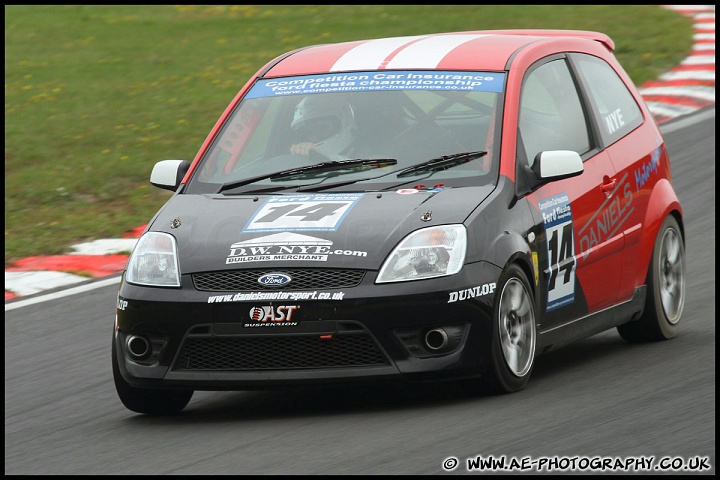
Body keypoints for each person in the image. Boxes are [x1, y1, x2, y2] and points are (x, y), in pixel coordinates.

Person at [289, 94, 357, 161]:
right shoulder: (303, 159)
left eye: (323, 128)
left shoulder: (364, 154)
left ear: (345, 122)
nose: (316, 137)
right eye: (310, 132)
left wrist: (319, 158)